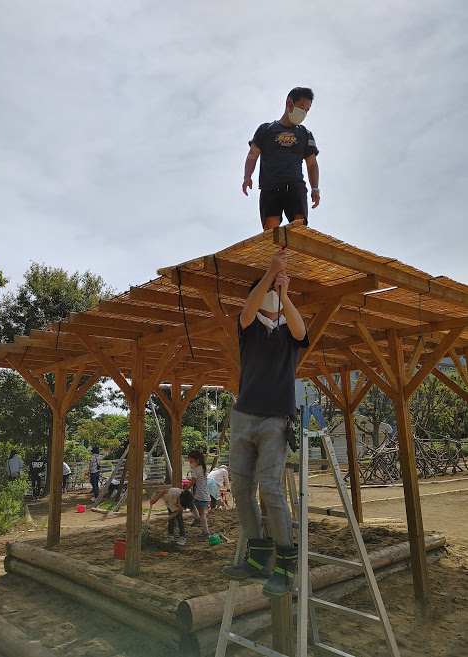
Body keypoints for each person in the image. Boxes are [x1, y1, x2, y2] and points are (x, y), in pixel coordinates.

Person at [222, 250, 309, 598]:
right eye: (267, 292)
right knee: (240, 488)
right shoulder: (247, 326)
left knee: (270, 489)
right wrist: (271, 271)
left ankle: (286, 567)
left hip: (276, 418)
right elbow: (246, 312)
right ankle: (258, 557)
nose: (271, 297)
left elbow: (302, 331)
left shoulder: (290, 333)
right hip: (244, 416)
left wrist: (286, 293)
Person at [242, 86, 320, 231]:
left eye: (307, 110)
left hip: (295, 185)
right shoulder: (266, 129)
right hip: (270, 187)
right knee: (270, 229)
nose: (303, 112)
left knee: (299, 228)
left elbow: (312, 164)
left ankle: (295, 254)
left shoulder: (305, 134)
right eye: (301, 106)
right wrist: (247, 176)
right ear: (289, 102)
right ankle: (277, 255)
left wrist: (315, 188)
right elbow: (253, 154)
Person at [184, 450, 211, 538]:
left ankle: (205, 531)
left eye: (191, 461)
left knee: (199, 511)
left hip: (199, 494)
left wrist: (186, 487)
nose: (190, 463)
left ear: (197, 460)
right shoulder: (202, 467)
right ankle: (199, 521)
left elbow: (192, 482)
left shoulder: (195, 469)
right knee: (193, 505)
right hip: (204, 493)